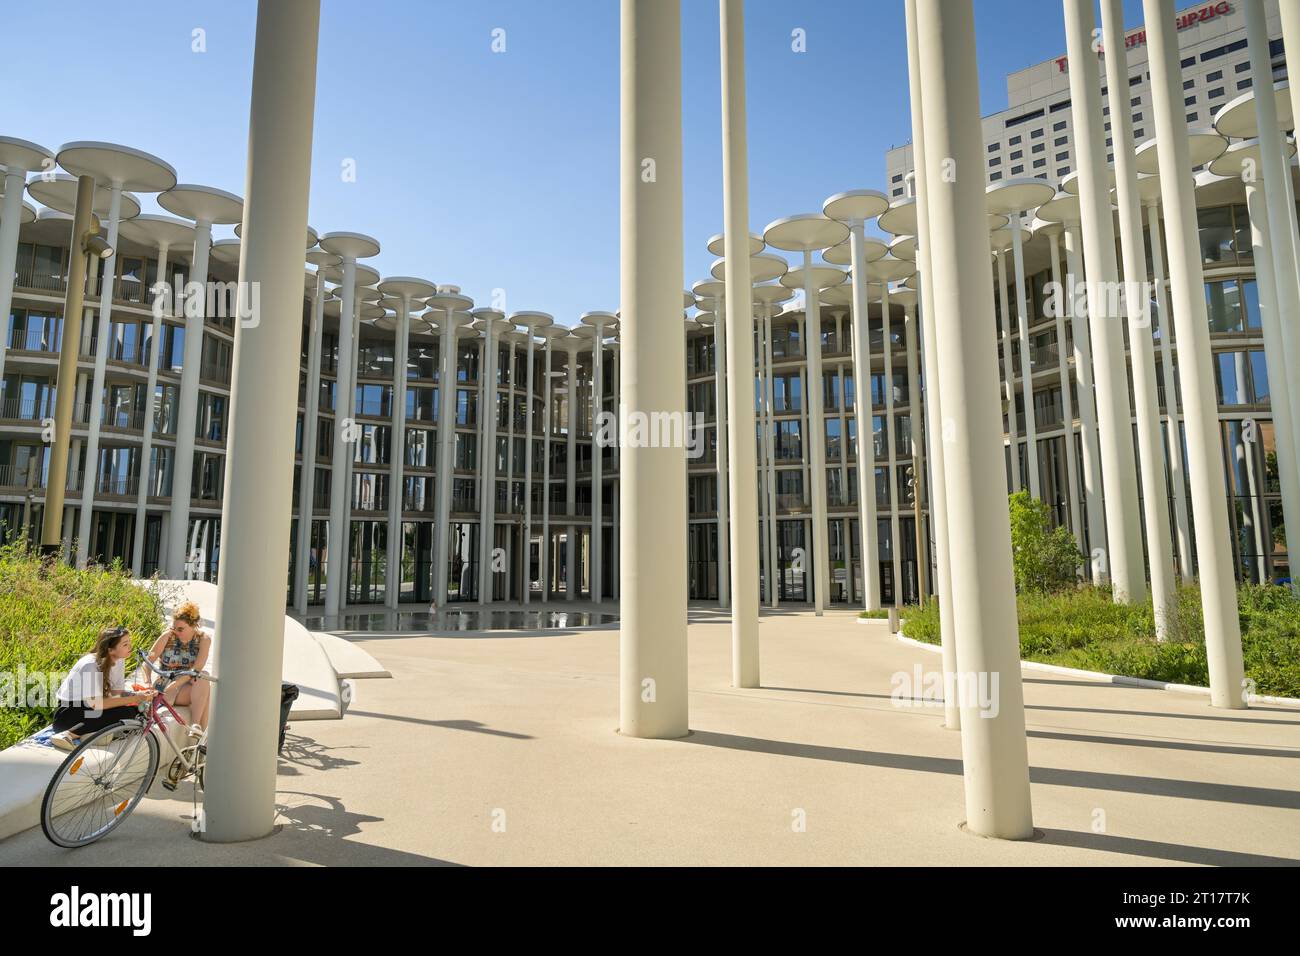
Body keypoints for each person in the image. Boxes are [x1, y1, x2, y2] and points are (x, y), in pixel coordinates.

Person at [50, 627, 156, 751]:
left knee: (134, 712)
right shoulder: (90, 665)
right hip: (70, 714)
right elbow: (97, 704)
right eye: (125, 644)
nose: (130, 647)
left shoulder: (119, 660)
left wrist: (137, 694)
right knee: (126, 713)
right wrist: (135, 698)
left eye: (129, 642)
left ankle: (90, 734)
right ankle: (69, 734)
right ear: (111, 650)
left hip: (91, 709)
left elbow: (116, 693)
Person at [146, 600, 213, 732]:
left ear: (194, 625)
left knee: (203, 676)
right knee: (206, 693)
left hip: (182, 686)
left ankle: (196, 728)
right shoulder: (168, 636)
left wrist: (173, 686)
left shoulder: (204, 640)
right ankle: (201, 736)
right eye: (174, 628)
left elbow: (195, 670)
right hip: (164, 686)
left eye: (180, 629)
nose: (176, 632)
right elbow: (147, 662)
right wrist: (148, 681)